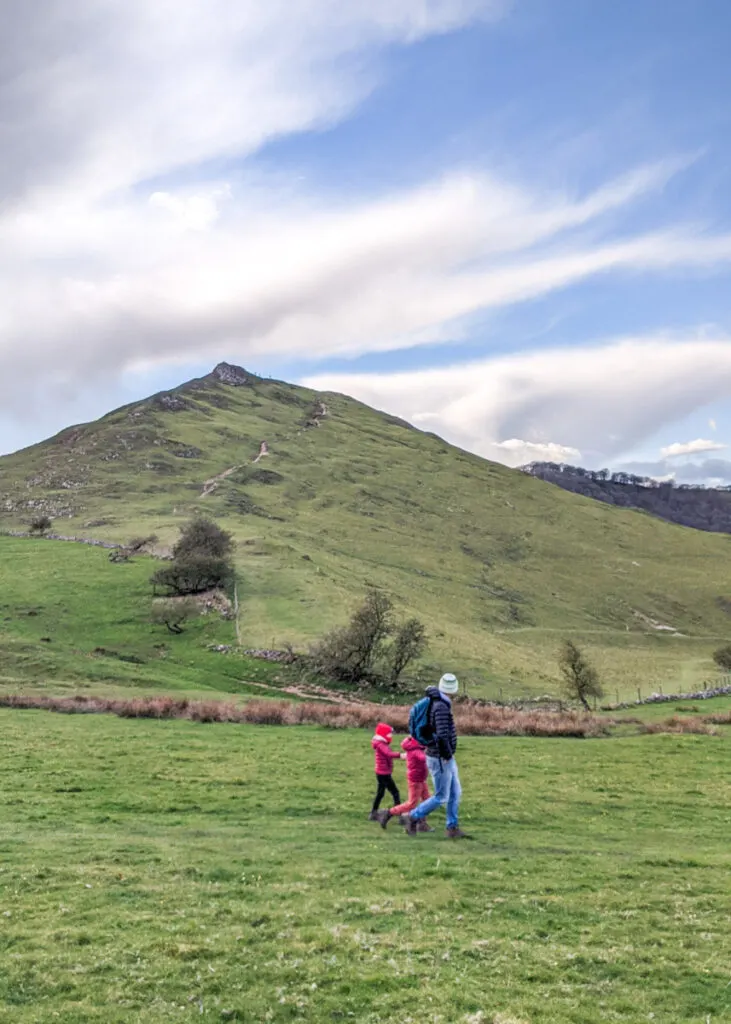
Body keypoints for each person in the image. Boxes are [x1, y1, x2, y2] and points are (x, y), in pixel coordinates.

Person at [403, 673, 470, 838]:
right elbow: (441, 734)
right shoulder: (440, 706)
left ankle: (452, 827)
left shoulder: (439, 702)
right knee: (441, 796)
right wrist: (447, 754)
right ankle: (412, 817)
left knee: (455, 793)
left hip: (444, 756)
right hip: (440, 757)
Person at [374, 736, 434, 832]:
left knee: (427, 801)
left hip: (421, 779)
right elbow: (423, 758)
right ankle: (388, 813)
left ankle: (421, 823)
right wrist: (433, 751)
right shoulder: (416, 750)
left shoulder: (415, 748)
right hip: (416, 781)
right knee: (411, 804)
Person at [368, 722, 404, 820]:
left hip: (380, 773)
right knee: (395, 792)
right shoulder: (381, 744)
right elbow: (388, 753)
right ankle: (400, 815)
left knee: (380, 793)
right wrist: (400, 755)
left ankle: (373, 813)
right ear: (383, 734)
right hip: (384, 774)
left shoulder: (380, 743)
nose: (391, 736)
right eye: (389, 734)